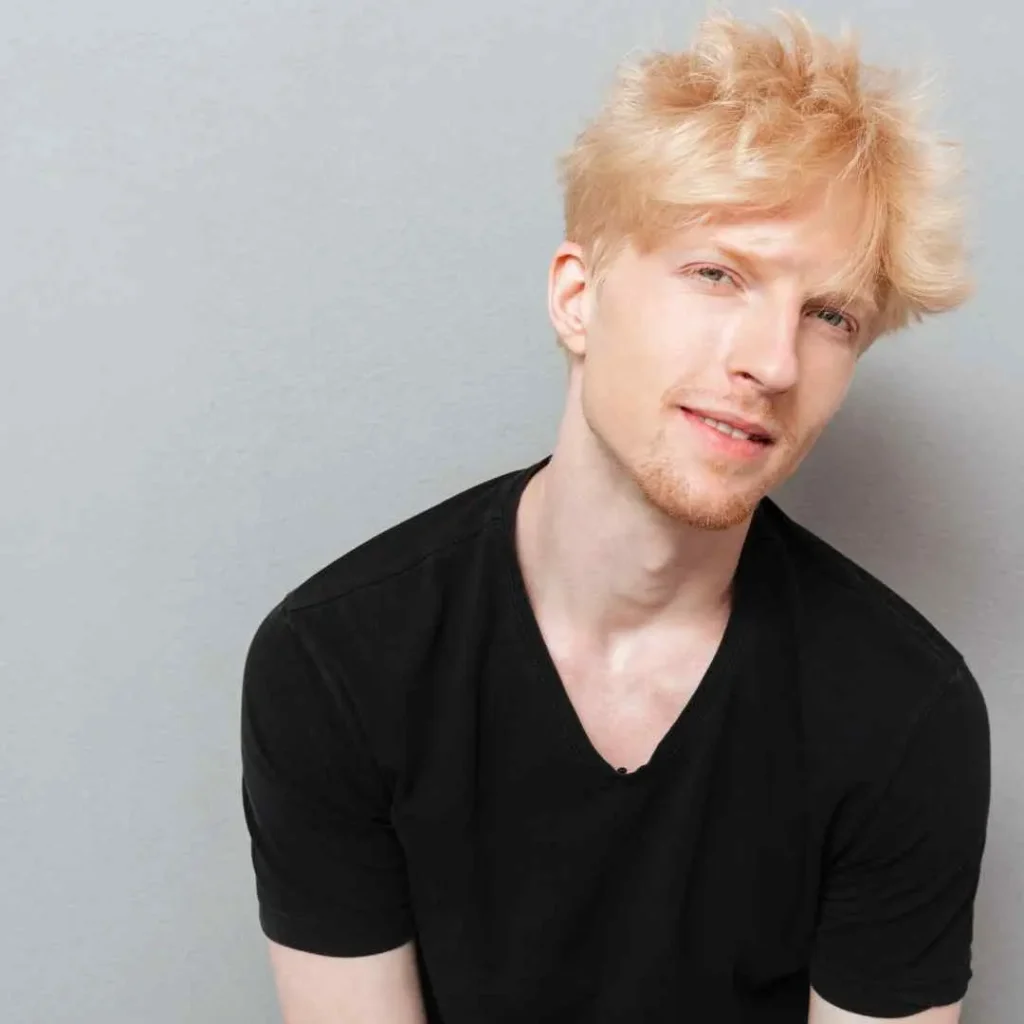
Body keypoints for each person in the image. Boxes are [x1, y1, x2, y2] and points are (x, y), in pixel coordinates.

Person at [240, 12, 990, 1023]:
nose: (771, 362)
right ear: (577, 297)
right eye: (717, 273)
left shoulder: (905, 711)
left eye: (830, 315)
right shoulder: (338, 661)